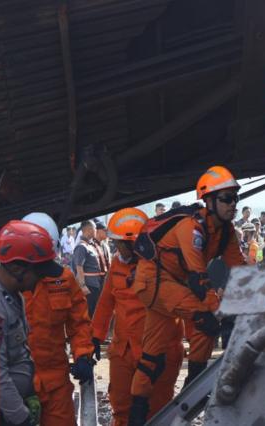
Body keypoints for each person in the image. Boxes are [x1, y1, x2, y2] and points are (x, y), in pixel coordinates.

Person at [128, 166, 246, 425]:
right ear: (210, 201)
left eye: (235, 198)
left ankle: (136, 416)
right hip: (154, 281)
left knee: (151, 359)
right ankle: (193, 392)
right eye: (226, 198)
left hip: (170, 286)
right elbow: (199, 278)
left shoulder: (226, 232)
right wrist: (219, 312)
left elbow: (244, 273)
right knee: (205, 321)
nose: (233, 204)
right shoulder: (190, 227)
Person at [0, 220, 64, 426]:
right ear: (17, 268)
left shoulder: (14, 296)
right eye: (38, 272)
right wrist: (21, 418)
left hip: (7, 406)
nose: (41, 279)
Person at [92, 208, 184, 426]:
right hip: (124, 351)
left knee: (157, 411)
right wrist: (95, 336)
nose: (117, 249)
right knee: (121, 408)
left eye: (120, 244)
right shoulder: (117, 264)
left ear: (135, 243)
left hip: (158, 352)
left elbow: (185, 304)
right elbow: (106, 301)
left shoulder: (167, 264)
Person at [21, 213, 94, 426]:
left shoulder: (64, 279)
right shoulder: (7, 283)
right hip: (17, 382)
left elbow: (78, 322)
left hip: (55, 381)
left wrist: (82, 355)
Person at [73, 220, 107, 316]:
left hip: (96, 283)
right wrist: (83, 286)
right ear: (88, 230)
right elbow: (79, 267)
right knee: (90, 312)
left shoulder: (90, 245)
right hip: (89, 285)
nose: (96, 230)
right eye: (95, 228)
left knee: (95, 310)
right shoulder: (81, 247)